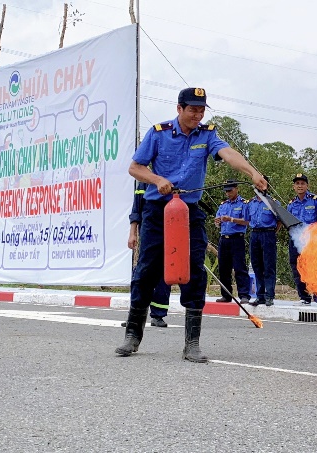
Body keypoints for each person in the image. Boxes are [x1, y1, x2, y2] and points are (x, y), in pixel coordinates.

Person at [116, 87, 267, 362]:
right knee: (146, 271)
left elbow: (228, 153)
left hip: (189, 211)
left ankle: (192, 343)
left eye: (201, 110)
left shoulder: (207, 134)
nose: (197, 115)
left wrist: (253, 172)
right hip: (157, 212)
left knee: (195, 271)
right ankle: (132, 336)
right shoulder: (159, 132)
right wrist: (157, 179)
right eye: (192, 110)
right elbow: (135, 168)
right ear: (179, 109)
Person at [123, 180, 170, 328]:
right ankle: (135, 315)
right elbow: (136, 209)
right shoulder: (144, 182)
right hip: (148, 233)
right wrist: (133, 234)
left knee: (164, 273)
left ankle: (158, 314)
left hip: (169, 231)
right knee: (141, 273)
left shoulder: (173, 180)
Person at [287, 173, 317, 306]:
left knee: (313, 267)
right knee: (297, 267)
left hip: (311, 239)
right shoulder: (291, 203)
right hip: (295, 240)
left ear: (307, 185)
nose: (300, 186)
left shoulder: (315, 200)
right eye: (297, 183)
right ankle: (304, 297)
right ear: (294, 186)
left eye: (302, 183)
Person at [214, 180, 251, 304]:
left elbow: (246, 221)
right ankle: (226, 294)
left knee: (240, 267)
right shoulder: (223, 205)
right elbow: (217, 221)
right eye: (226, 191)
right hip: (224, 239)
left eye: (230, 190)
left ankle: (244, 295)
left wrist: (231, 219)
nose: (228, 193)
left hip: (237, 238)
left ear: (236, 189)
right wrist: (217, 222)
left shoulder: (243, 203)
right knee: (223, 269)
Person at [246, 187, 281, 307]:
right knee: (256, 265)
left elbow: (280, 220)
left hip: (268, 233)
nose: (259, 188)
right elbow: (247, 219)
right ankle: (259, 296)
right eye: (257, 186)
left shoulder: (273, 202)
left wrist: (272, 232)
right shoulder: (251, 203)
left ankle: (269, 295)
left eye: (262, 185)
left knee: (269, 265)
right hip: (254, 233)